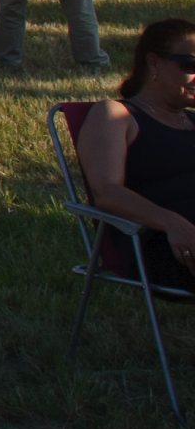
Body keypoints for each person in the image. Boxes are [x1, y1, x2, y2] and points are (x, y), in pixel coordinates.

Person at [75, 18, 195, 292]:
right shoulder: (117, 115)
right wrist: (172, 223)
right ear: (154, 63)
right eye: (190, 65)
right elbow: (107, 192)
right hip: (164, 243)